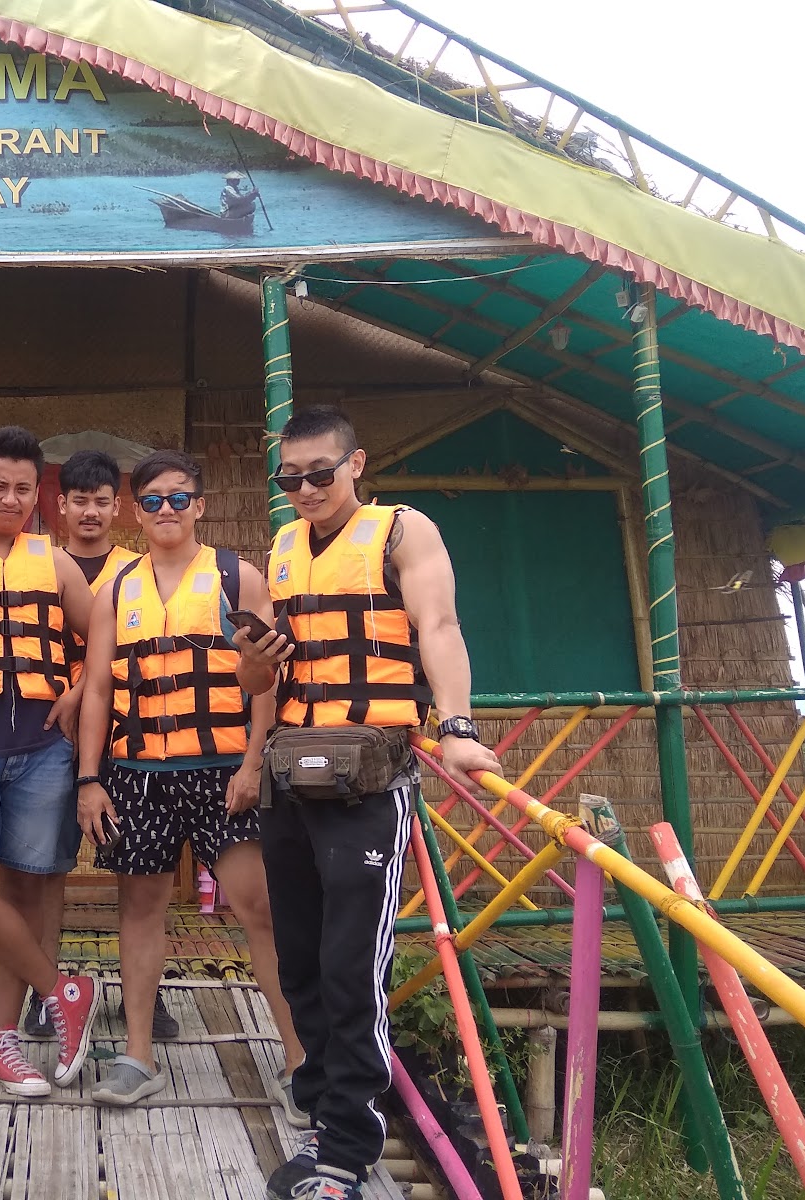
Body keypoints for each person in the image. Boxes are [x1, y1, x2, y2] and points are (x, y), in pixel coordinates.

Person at [236, 405, 502, 1200]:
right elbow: (262, 684)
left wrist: (455, 726)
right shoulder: (283, 548)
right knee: (301, 964)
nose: (306, 489)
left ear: (356, 465)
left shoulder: (401, 532)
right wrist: (253, 662)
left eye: (321, 473)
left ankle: (349, 1151)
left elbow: (440, 625)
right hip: (291, 776)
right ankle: (323, 1118)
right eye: (291, 478)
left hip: (367, 781)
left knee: (354, 967)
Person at [74, 449, 305, 1111]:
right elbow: (96, 691)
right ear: (136, 512)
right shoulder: (115, 590)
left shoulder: (237, 576)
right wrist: (91, 779)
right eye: (152, 501)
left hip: (221, 771)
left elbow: (267, 679)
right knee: (139, 909)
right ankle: (138, 1055)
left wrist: (254, 762)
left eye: (179, 498)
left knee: (258, 907)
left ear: (200, 506)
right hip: (138, 771)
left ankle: (298, 1061)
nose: (166, 510)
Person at [0, 426, 101, 1097]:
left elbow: (106, 642)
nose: (10, 498)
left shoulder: (55, 563)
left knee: (28, 892)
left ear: (41, 495)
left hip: (40, 751)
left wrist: (78, 687)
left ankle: (2, 1042)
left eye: (23, 488)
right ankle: (63, 990)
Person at [46, 448, 180, 1043]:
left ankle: (141, 1000)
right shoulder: (38, 568)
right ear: (61, 506)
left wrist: (81, 689)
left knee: (142, 875)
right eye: (80, 501)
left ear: (119, 507)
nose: (91, 512)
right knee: (40, 873)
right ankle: (44, 992)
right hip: (46, 740)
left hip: (131, 738)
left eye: (102, 501)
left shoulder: (140, 568)